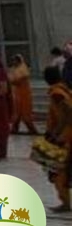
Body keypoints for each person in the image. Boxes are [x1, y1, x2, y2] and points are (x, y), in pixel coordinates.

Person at [35, 64, 71, 213]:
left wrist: (55, 133)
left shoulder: (57, 93)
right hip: (65, 134)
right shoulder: (64, 89)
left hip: (64, 137)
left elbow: (66, 114)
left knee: (58, 170)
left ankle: (65, 202)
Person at [8, 54, 38, 135]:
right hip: (17, 93)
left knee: (25, 112)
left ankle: (32, 129)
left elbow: (18, 79)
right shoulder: (13, 69)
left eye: (14, 60)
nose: (13, 62)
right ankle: (14, 129)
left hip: (24, 94)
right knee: (16, 112)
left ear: (18, 61)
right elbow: (10, 79)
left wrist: (12, 80)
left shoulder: (23, 68)